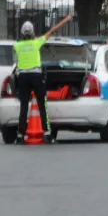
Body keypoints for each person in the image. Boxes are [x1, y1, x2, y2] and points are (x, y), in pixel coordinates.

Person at [13, 12, 73, 144]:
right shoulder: (36, 43)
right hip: (36, 75)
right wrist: (66, 19)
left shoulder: (17, 46)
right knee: (42, 104)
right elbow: (53, 30)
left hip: (23, 76)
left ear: (22, 33)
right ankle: (47, 133)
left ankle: (20, 134)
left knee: (24, 106)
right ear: (33, 32)